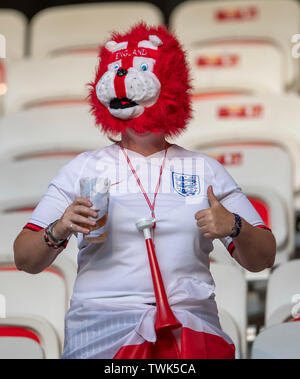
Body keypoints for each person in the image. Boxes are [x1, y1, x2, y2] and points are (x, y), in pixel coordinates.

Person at [14, 23, 276, 359]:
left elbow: (264, 257)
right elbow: (24, 258)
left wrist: (234, 226)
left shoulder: (203, 168)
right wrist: (59, 228)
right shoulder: (84, 167)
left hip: (189, 332)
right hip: (100, 329)